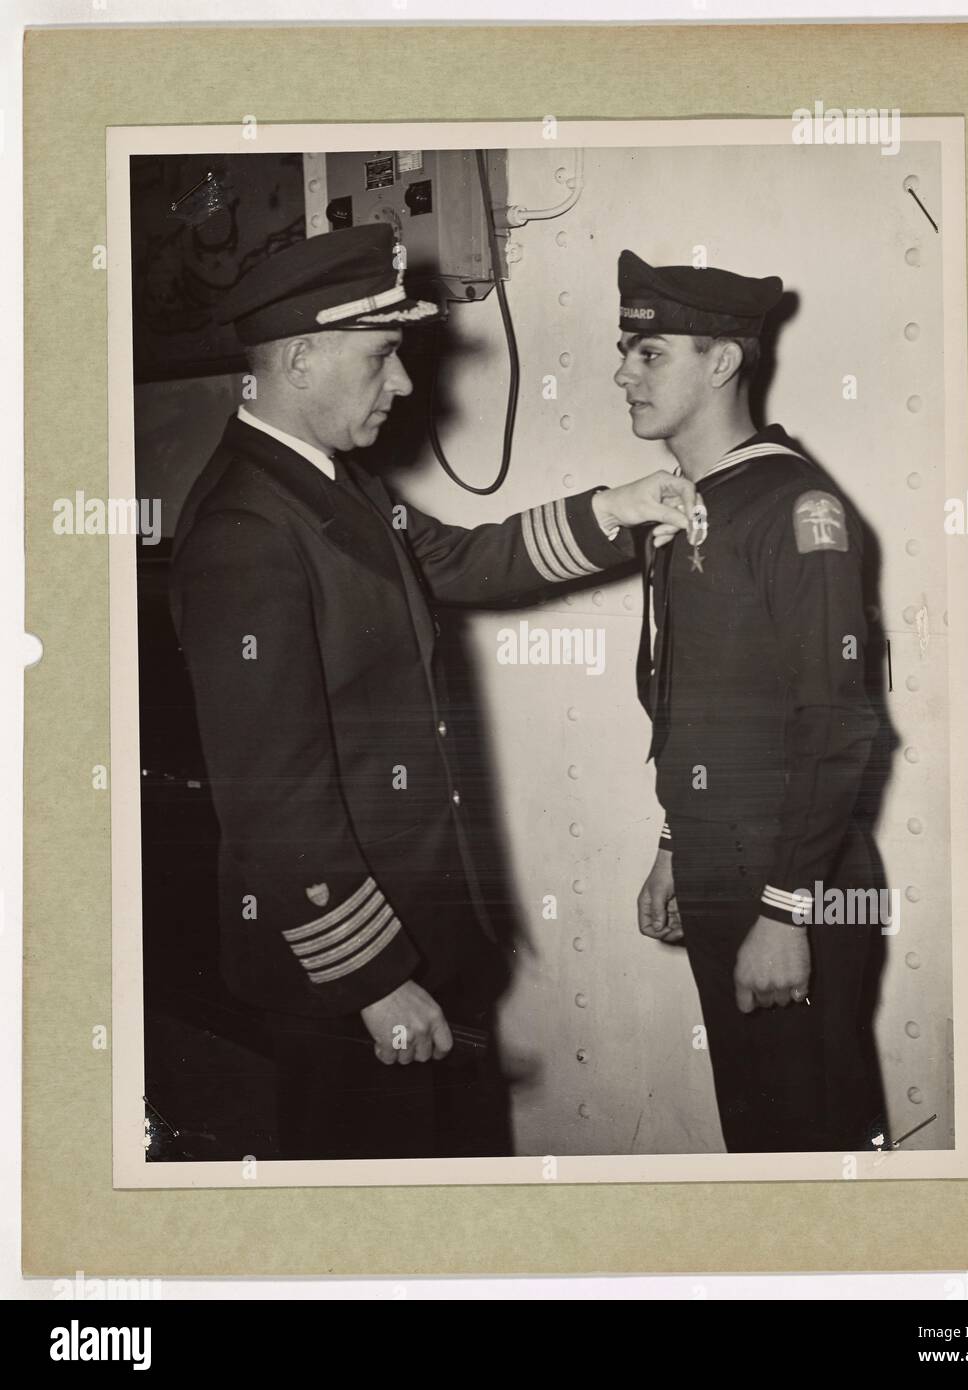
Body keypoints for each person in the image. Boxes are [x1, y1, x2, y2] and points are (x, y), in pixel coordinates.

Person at [170, 224, 698, 1159]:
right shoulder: (245, 531)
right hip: (344, 975)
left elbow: (453, 559)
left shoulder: (327, 481)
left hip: (422, 934)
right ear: (298, 361)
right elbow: (271, 797)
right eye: (381, 357)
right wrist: (373, 979)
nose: (405, 383)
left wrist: (613, 510)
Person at [617, 249, 886, 1153]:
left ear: (722, 361)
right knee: (761, 1133)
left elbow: (836, 722)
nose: (623, 374)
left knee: (815, 1143)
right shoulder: (688, 503)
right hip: (721, 866)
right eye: (625, 352)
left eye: (649, 354)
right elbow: (704, 710)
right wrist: (674, 846)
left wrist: (784, 910)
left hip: (796, 878)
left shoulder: (794, 506)